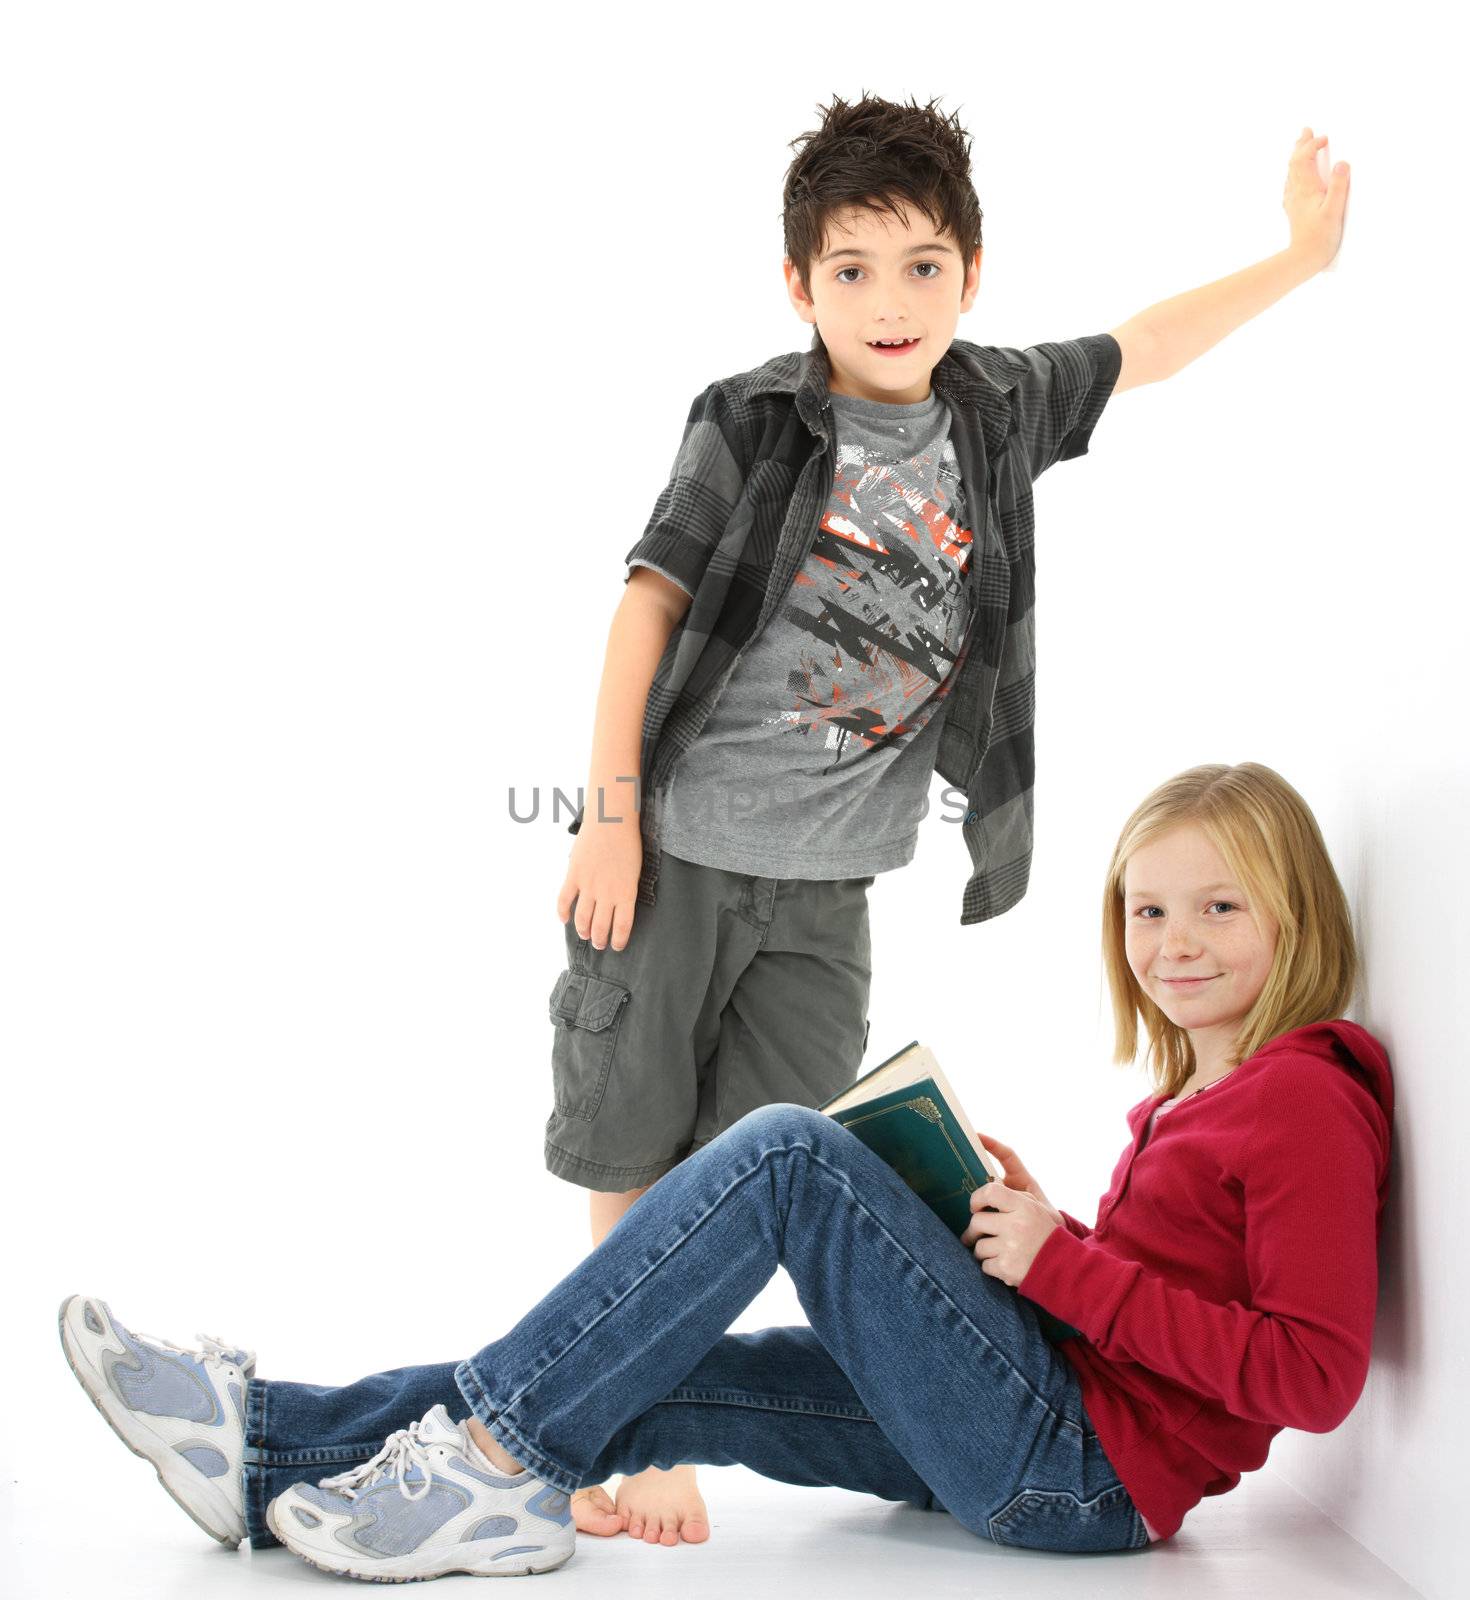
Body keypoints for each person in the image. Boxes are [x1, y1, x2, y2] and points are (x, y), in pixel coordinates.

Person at [545, 91, 1351, 1544]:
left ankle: (626, 1404)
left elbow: (1147, 345)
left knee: (742, 1171)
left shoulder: (995, 407)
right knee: (632, 1137)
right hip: (682, 851)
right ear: (798, 287)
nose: (889, 300)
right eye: (849, 269)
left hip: (833, 885)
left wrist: (1296, 257)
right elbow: (643, 607)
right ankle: (601, 1439)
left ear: (970, 273)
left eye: (921, 264)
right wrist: (609, 820)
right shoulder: (750, 418)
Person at [60, 761, 1392, 1581]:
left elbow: (1310, 1376)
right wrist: (1036, 1228)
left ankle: (486, 1467)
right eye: (1146, 909)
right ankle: (257, 1446)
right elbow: (1165, 1301)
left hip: (1079, 1478)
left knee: (787, 1156)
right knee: (654, 1372)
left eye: (1218, 907)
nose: (1173, 940)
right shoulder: (1201, 1094)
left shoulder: (1301, 1105)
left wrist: (1069, 1266)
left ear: (1294, 917)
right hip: (1052, 1417)